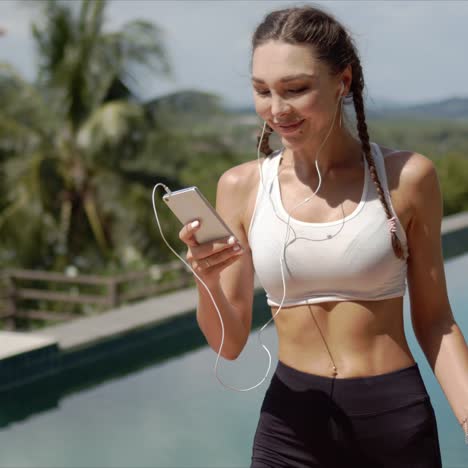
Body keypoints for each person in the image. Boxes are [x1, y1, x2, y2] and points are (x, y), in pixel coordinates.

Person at [178, 5, 468, 467]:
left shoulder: (407, 178)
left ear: (343, 81)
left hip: (392, 417)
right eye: (262, 91)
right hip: (289, 425)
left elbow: (436, 321)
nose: (277, 110)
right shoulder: (241, 188)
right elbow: (228, 345)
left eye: (295, 89)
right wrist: (207, 280)